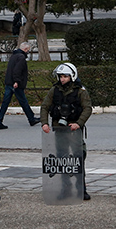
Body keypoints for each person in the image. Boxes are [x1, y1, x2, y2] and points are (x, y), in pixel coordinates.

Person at [41, 62, 93, 200]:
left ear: (72, 76)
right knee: (62, 159)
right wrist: (44, 123)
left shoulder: (80, 91)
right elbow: (45, 106)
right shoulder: (54, 90)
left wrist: (78, 123)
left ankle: (81, 189)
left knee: (78, 158)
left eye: (65, 76)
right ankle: (66, 189)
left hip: (74, 131)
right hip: (59, 130)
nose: (62, 79)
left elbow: (87, 108)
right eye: (60, 76)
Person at [0, 41, 41, 129]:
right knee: (23, 102)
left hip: (9, 82)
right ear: (25, 49)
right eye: (28, 50)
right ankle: (31, 119)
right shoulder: (21, 57)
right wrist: (16, 81)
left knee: (5, 103)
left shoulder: (14, 56)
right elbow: (17, 70)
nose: (28, 52)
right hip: (16, 84)